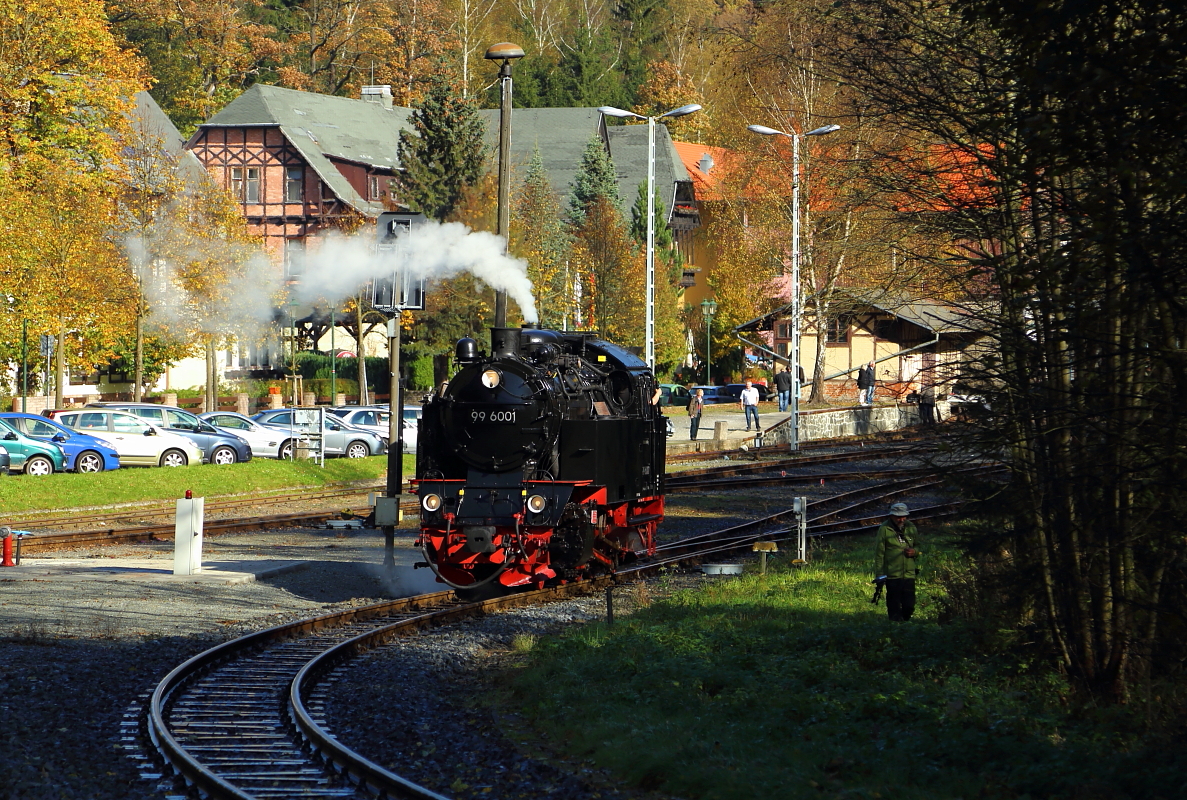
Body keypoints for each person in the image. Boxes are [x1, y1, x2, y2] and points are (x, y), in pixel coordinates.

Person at [873, 502, 921, 621]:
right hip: (892, 574)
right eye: (898, 516)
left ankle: (905, 622)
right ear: (891, 516)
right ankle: (895, 627)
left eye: (903, 516)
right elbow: (879, 553)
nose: (901, 519)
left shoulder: (911, 527)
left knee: (909, 604)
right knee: (893, 604)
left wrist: (914, 552)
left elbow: (919, 546)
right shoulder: (884, 529)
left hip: (909, 573)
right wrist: (879, 574)